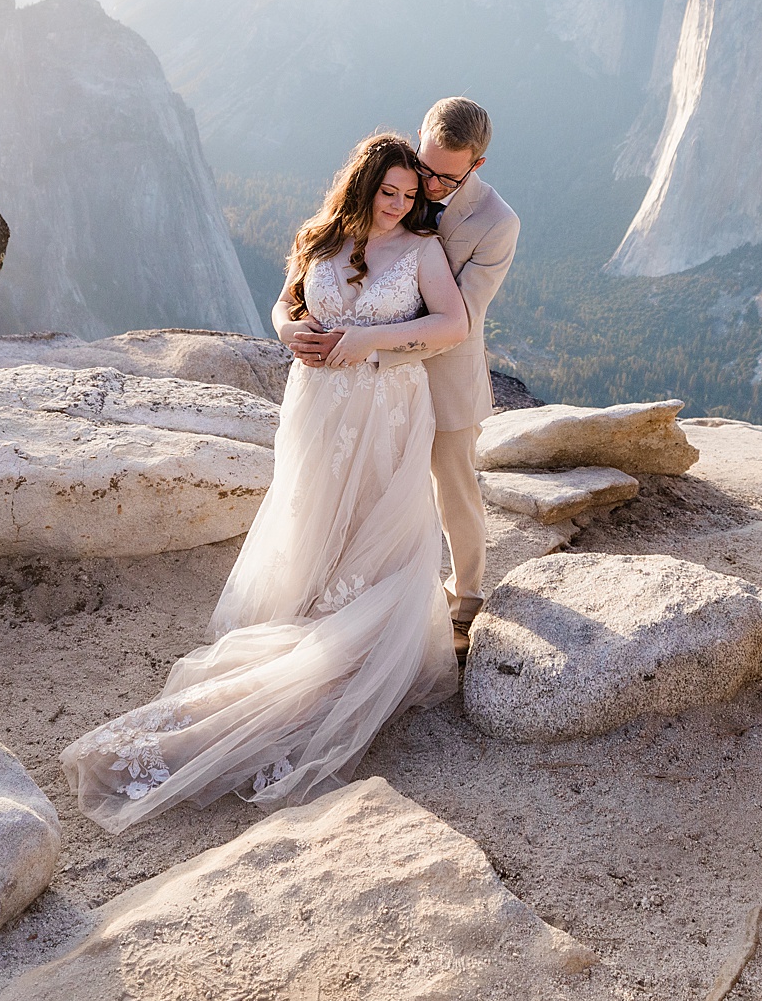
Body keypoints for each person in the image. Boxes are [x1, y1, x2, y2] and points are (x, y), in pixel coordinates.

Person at [56, 132, 470, 833]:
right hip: (315, 405)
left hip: (388, 408)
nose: (399, 205)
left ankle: (354, 633)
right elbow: (283, 307)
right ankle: (310, 610)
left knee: (379, 527)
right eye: (387, 192)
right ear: (361, 186)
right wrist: (287, 334)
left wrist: (371, 339)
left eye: (408, 194)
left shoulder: (424, 252)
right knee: (311, 511)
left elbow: (452, 324)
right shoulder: (316, 240)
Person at [281, 98, 518, 654]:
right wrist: (297, 327)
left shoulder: (497, 223)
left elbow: (463, 319)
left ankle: (466, 602)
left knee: (453, 489)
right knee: (371, 487)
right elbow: (324, 266)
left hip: (443, 373)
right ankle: (364, 588)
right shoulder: (397, 179)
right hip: (368, 382)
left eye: (446, 176)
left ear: (476, 167)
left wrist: (370, 345)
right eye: (426, 167)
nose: (429, 185)